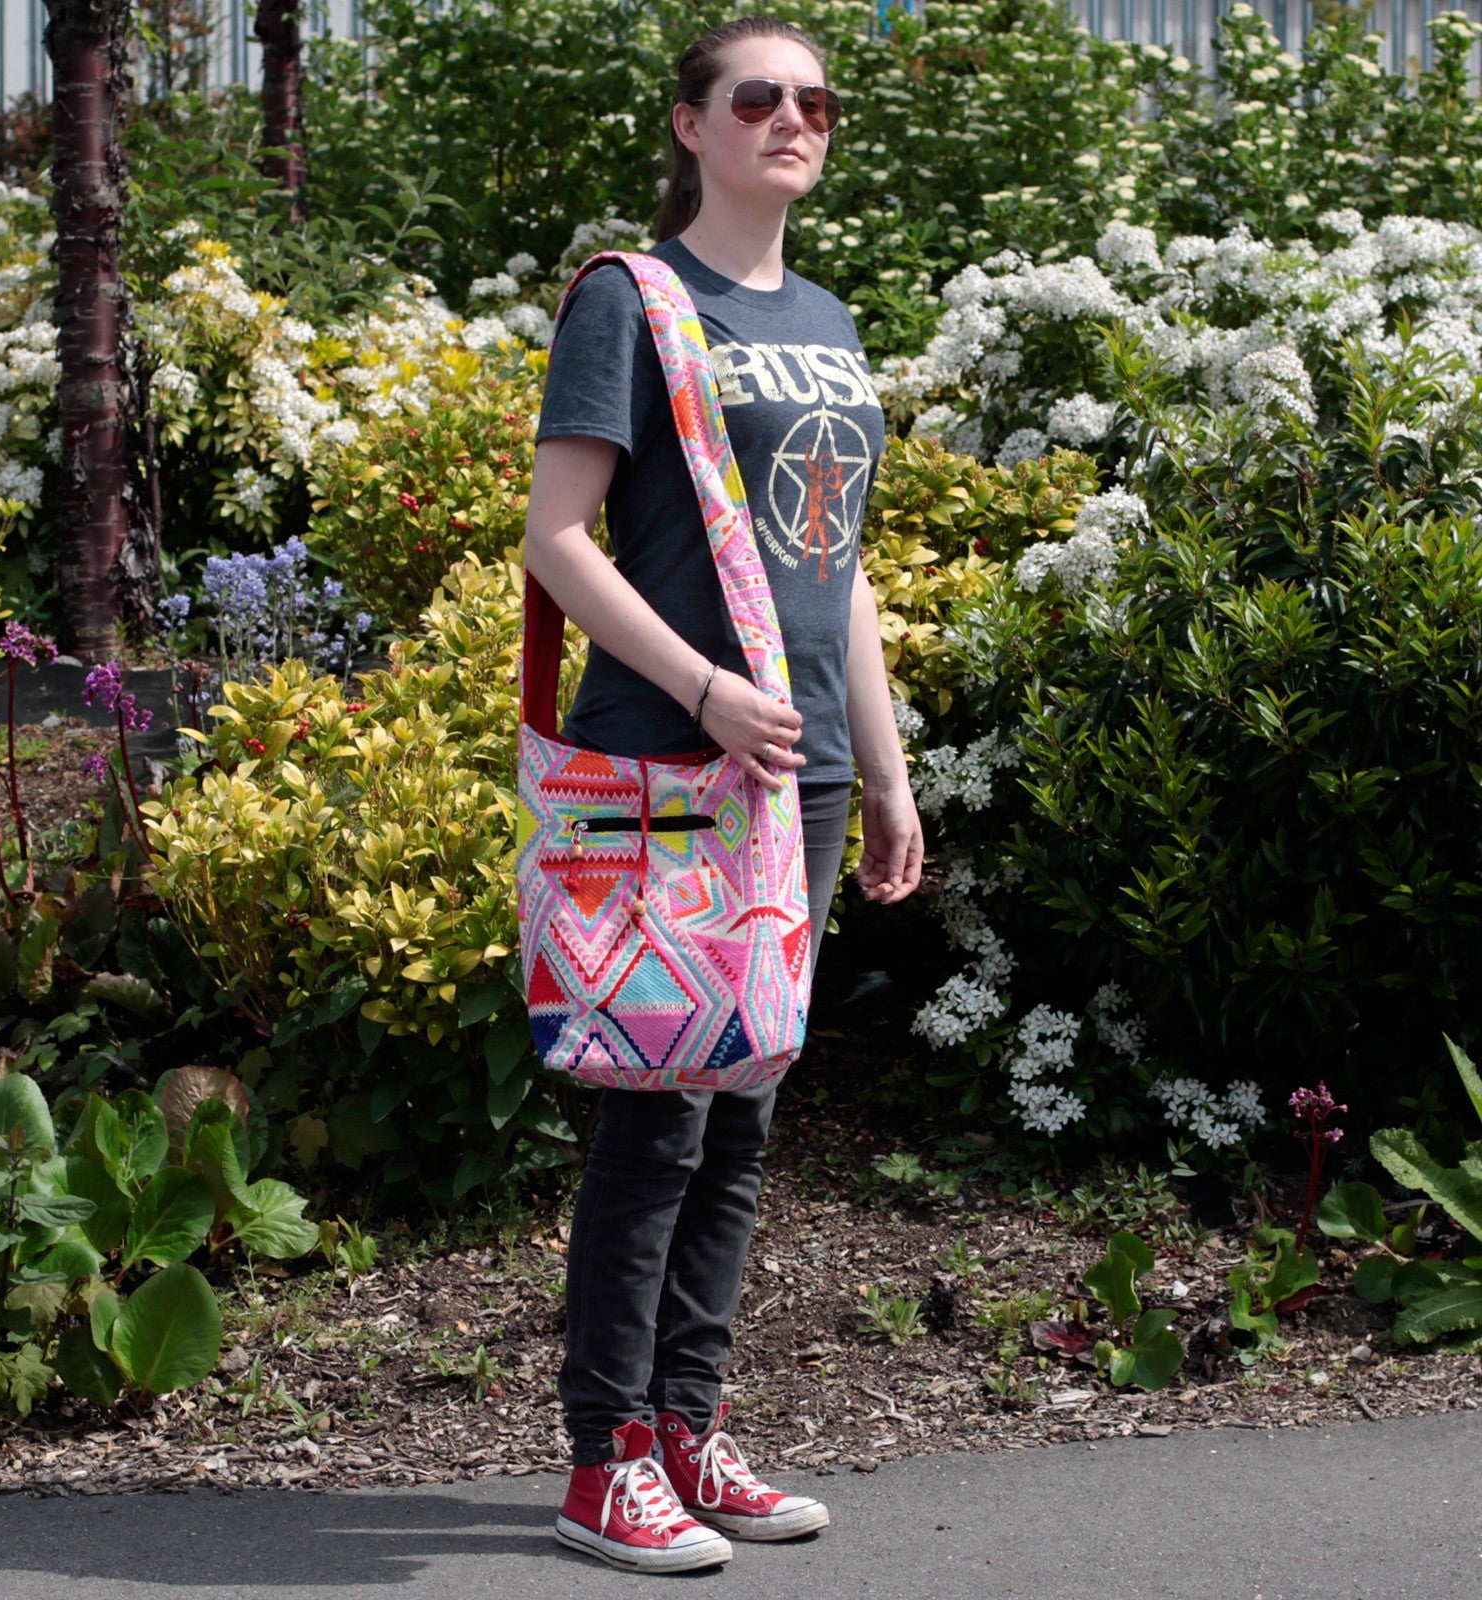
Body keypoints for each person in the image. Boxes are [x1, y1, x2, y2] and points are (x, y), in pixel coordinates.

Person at [523, 14, 923, 1575]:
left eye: (815, 98)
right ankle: (603, 1455)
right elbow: (559, 536)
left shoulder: (825, 316)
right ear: (691, 125)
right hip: (679, 757)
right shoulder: (635, 300)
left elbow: (845, 569)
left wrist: (881, 773)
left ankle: (689, 1427)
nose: (792, 119)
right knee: (657, 1125)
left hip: (803, 773)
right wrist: (701, 688)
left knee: (743, 1117)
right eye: (757, 96)